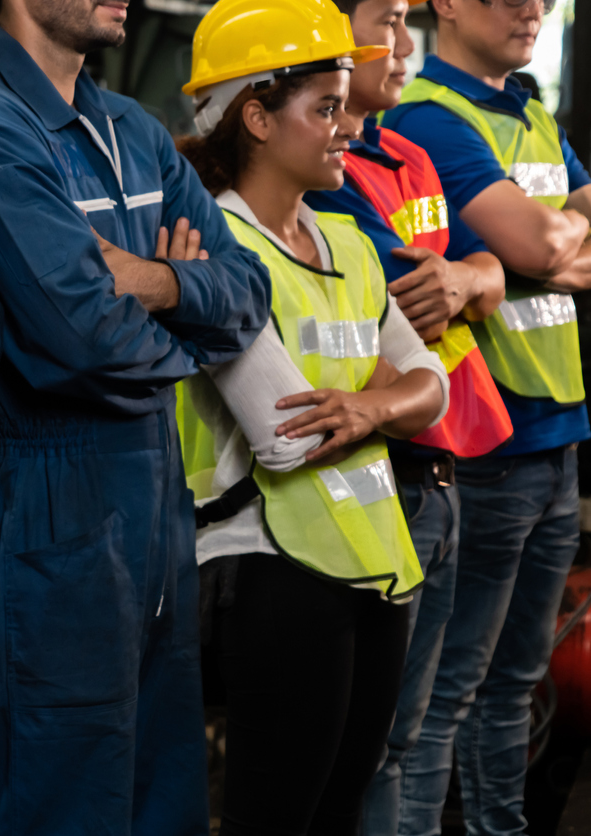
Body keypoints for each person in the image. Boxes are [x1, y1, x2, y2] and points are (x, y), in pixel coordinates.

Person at [0, 0, 272, 827]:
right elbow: (79, 339)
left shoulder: (131, 130)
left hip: (149, 501)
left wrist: (154, 282)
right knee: (54, 799)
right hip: (44, 501)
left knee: (160, 795)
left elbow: (249, 291)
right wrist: (188, 335)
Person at [176, 0, 452, 830]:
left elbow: (429, 384)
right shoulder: (216, 245)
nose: (345, 127)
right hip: (265, 567)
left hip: (369, 559)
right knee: (277, 815)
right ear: (254, 117)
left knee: (335, 811)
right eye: (324, 107)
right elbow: (286, 439)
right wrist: (388, 403)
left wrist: (367, 404)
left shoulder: (349, 244)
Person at [379, 0, 591, 827]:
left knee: (513, 687)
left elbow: (541, 244)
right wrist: (552, 243)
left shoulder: (530, 113)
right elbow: (541, 247)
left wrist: (544, 242)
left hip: (558, 438)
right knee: (445, 700)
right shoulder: (434, 117)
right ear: (447, 5)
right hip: (487, 446)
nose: (529, 8)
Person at [301, 0, 509, 829]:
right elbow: (411, 294)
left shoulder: (409, 154)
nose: (401, 42)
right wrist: (471, 279)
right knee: (371, 744)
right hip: (379, 477)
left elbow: (474, 271)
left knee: (419, 731)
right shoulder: (322, 186)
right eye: (384, 19)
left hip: (445, 463)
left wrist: (470, 278)